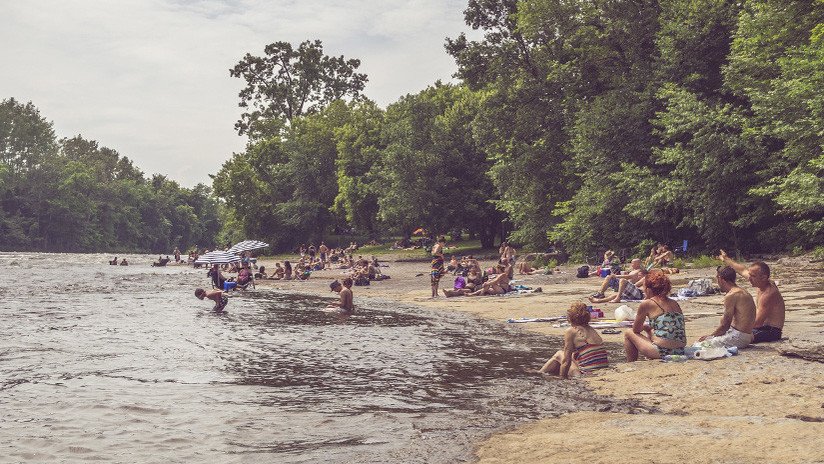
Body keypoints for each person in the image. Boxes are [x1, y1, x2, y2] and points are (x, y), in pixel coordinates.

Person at [717, 250, 786, 343]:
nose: (749, 278)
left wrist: (737, 325)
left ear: (764, 277)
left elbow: (757, 323)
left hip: (770, 331)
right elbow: (742, 270)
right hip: (762, 327)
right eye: (750, 275)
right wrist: (726, 259)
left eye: (752, 276)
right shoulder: (760, 282)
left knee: (738, 336)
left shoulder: (769, 294)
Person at [623, 271, 687, 361]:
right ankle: (649, 355)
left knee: (628, 333)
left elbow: (636, 330)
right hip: (680, 350)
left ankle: (631, 362)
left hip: (661, 351)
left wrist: (644, 327)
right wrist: (648, 328)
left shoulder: (647, 303)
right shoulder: (674, 303)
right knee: (651, 329)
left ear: (649, 289)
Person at [537, 303, 609, 379]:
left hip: (585, 374)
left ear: (570, 318)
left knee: (559, 354)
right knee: (572, 355)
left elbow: (566, 362)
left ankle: (540, 374)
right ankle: (542, 372)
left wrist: (562, 378)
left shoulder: (571, 331)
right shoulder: (591, 329)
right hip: (601, 370)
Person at [698, 266, 756, 348]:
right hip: (746, 335)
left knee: (700, 345)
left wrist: (710, 336)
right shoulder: (742, 291)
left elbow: (725, 325)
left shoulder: (732, 295)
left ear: (720, 278)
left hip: (739, 337)